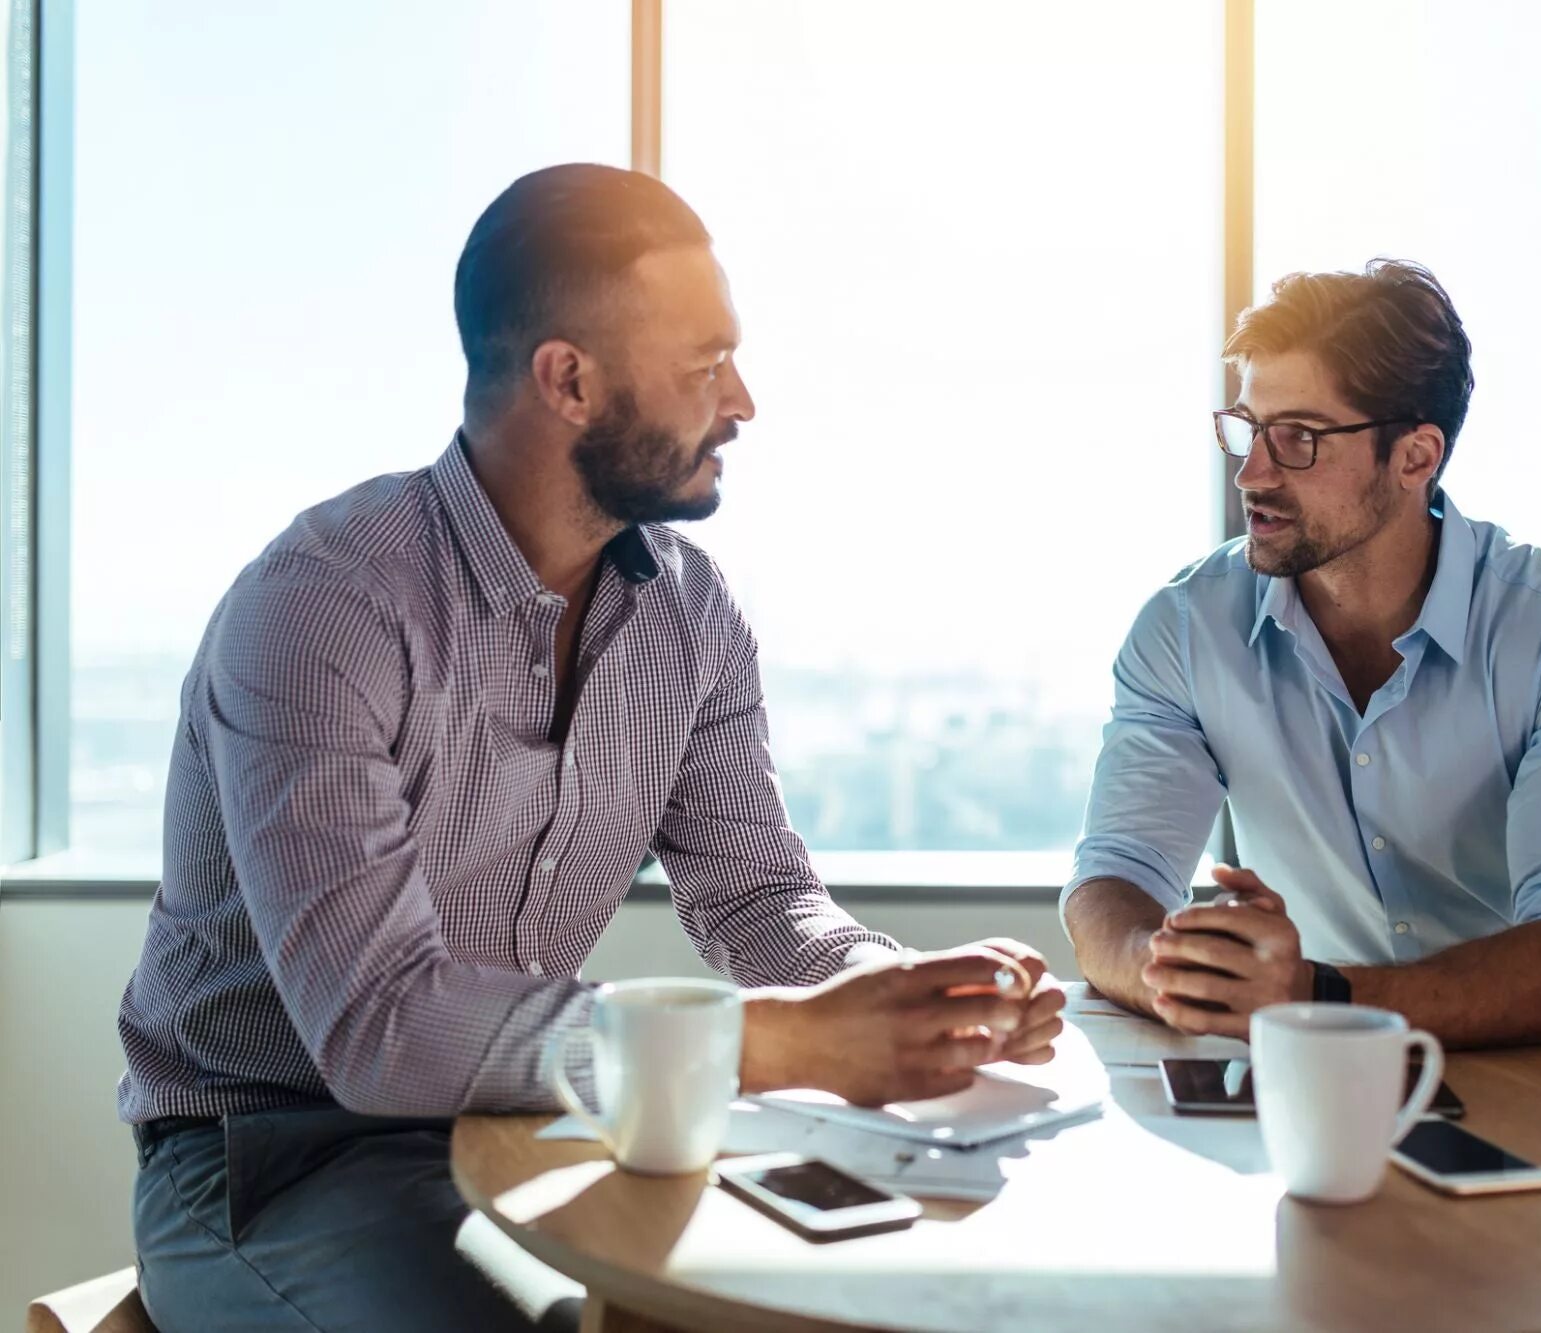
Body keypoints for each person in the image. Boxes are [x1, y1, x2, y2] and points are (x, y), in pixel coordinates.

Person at [117, 163, 1064, 1333]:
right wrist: (787, 1040)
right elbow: (381, 1031)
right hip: (269, 1161)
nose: (745, 402)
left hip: (533, 1129)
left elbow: (762, 899)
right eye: (707, 362)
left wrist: (903, 993)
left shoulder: (691, 612)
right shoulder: (325, 605)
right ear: (567, 379)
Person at [1062, 260, 1541, 1049]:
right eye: (1247, 428)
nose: (1252, 472)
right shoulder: (1185, 627)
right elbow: (1117, 872)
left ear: (1415, 457)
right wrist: (1179, 971)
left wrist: (1312, 993)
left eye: (1299, 439)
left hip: (1520, 1075)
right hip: (1299, 1074)